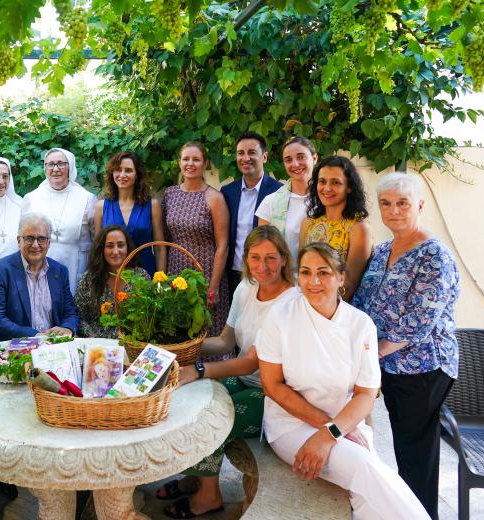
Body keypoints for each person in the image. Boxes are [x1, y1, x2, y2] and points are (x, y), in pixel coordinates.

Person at [256, 243, 428, 519]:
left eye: (323, 273)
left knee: (366, 485)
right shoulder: (281, 317)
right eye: (305, 272)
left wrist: (332, 433)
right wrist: (330, 429)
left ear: (341, 278)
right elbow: (272, 386)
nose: (313, 281)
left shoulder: (360, 325)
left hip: (344, 423)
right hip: (291, 426)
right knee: (364, 465)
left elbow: (365, 394)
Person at [159, 226, 298, 518]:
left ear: (284, 259)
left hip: (275, 392)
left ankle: (209, 496)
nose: (263, 266)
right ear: (246, 259)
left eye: (271, 258)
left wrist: (198, 368)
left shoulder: (290, 302)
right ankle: (197, 477)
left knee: (212, 420)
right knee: (193, 403)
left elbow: (251, 361)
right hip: (246, 379)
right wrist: (180, 348)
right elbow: (226, 340)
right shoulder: (246, 288)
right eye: (255, 257)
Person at [353, 172, 459, 519]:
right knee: (404, 445)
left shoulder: (433, 255)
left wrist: (370, 353)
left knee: (415, 454)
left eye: (402, 203)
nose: (394, 210)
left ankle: (420, 515)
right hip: (389, 365)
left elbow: (418, 322)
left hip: (422, 367)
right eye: (386, 203)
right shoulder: (383, 250)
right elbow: (362, 303)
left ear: (420, 205)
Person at [163, 141, 230, 342]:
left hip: (206, 273)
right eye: (186, 159)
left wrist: (214, 286)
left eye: (196, 159)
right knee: (178, 331)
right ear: (179, 162)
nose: (190, 163)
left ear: (205, 163)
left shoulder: (214, 198)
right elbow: (165, 239)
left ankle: (212, 373)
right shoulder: (169, 194)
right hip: (176, 271)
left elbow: (223, 246)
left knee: (206, 329)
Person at [0, 212, 80, 341]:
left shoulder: (60, 271)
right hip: (17, 349)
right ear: (19, 241)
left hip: (55, 347)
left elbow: (71, 312)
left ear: (48, 242)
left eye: (41, 239)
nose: (35, 245)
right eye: (29, 238)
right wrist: (35, 336)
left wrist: (68, 328)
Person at [21, 147, 97, 294]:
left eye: (61, 164)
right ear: (45, 168)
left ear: (70, 166)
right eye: (51, 164)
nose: (55, 169)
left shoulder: (87, 199)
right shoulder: (31, 199)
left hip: (77, 265)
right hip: (40, 264)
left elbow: (96, 238)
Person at [300, 155, 371, 299]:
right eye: (322, 181)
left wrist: (320, 310)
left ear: (349, 187)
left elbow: (349, 285)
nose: (327, 188)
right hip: (305, 304)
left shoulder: (358, 228)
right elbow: (303, 271)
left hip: (336, 310)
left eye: (336, 182)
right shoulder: (307, 223)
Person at [221, 132, 282, 291]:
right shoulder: (227, 192)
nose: (245, 158)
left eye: (252, 152)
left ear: (265, 157)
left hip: (265, 274)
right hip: (233, 274)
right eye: (240, 153)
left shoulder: (279, 193)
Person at [93, 150, 166, 275]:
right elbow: (98, 248)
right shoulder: (101, 207)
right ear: (112, 173)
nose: (122, 175)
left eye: (128, 170)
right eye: (118, 170)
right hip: (112, 275)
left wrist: (160, 281)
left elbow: (160, 248)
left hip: (145, 273)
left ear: (137, 174)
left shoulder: (152, 205)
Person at [75, 224, 148, 339]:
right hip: (97, 344)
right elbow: (78, 316)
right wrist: (93, 337)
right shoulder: (89, 279)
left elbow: (148, 316)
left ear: (127, 248)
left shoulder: (141, 276)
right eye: (109, 246)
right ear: (101, 249)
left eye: (120, 245)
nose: (115, 251)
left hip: (133, 343)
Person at [256, 136, 317, 262]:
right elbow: (263, 249)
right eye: (288, 160)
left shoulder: (329, 199)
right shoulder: (270, 202)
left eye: (301, 157)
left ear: (314, 158)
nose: (295, 164)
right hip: (283, 277)